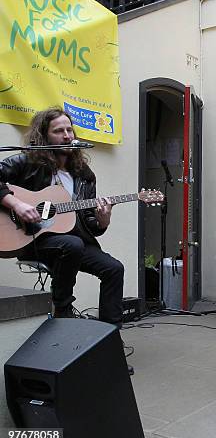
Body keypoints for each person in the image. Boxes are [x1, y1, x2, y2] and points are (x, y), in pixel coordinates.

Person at [0, 106, 124, 327]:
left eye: (70, 130)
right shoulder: (26, 162)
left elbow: (90, 224)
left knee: (114, 269)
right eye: (59, 131)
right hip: (32, 238)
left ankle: (110, 333)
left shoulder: (84, 175)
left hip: (73, 241)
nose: (67, 136)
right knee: (72, 244)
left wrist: (103, 221)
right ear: (44, 135)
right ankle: (62, 311)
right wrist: (16, 204)